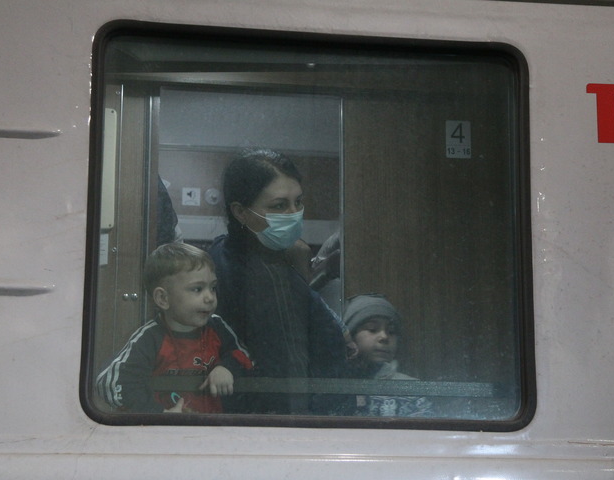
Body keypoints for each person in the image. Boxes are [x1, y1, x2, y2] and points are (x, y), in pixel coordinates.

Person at [209, 148, 347, 414]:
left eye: (298, 202)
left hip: (306, 419)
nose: (294, 213)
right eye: (279, 205)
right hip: (253, 422)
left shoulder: (280, 264)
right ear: (241, 212)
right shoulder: (220, 272)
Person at [96, 243, 252, 414]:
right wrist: (157, 414)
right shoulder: (149, 338)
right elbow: (110, 384)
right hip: (165, 427)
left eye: (213, 288)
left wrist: (226, 368)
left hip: (213, 425)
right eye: (197, 289)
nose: (209, 297)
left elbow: (243, 355)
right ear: (163, 298)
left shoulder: (217, 326)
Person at [343, 293, 433, 417]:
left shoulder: (411, 390)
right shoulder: (336, 385)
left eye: (391, 331)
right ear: (352, 337)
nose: (384, 337)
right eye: (372, 329)